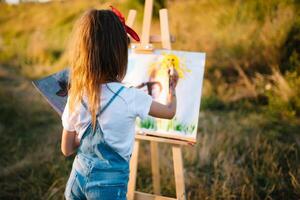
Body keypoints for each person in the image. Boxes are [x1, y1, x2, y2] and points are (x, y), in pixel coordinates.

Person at [61, 7, 178, 200]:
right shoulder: (130, 97)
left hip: (77, 180)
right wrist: (172, 87)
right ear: (120, 54)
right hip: (108, 188)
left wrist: (81, 133)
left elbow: (66, 149)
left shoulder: (76, 94)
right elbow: (169, 112)